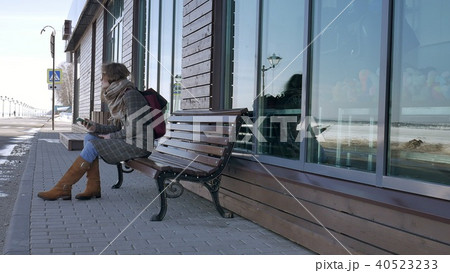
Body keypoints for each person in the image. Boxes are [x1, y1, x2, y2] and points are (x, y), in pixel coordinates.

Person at [38, 63, 153, 201]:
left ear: (112, 77)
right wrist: (95, 128)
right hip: (130, 140)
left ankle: (63, 187)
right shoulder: (118, 96)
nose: (100, 80)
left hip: (140, 144)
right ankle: (93, 186)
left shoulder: (131, 95)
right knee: (89, 137)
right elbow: (117, 127)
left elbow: (136, 128)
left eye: (102, 76)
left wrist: (110, 137)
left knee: (93, 145)